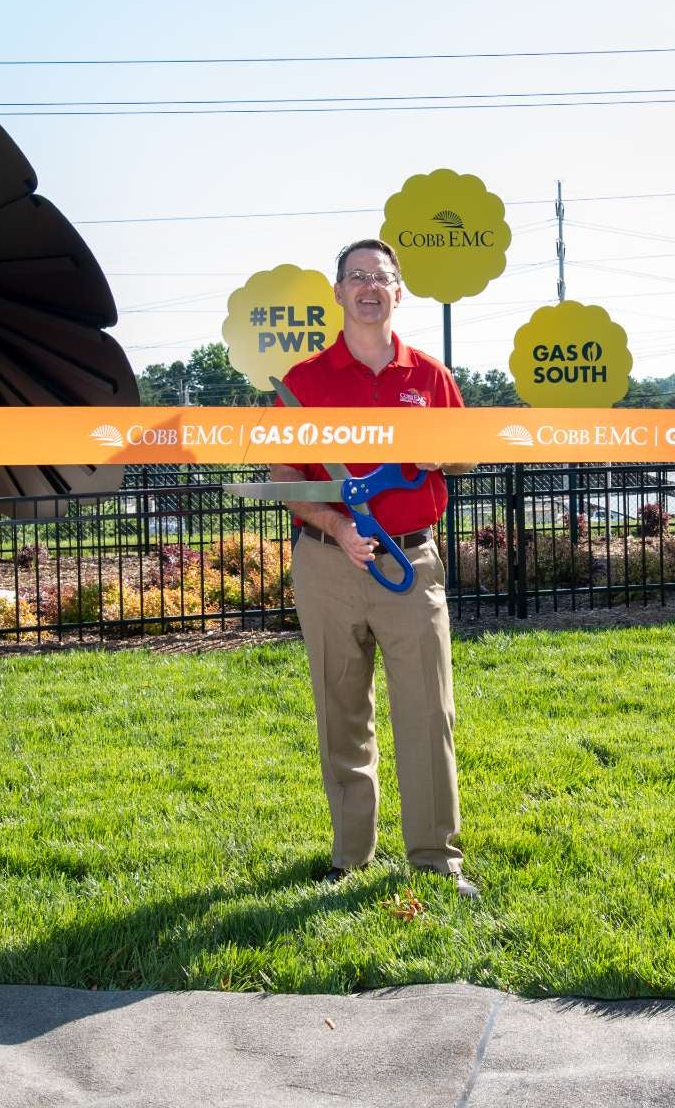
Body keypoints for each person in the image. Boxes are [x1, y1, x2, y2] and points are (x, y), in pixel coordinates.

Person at [271, 239, 479, 900]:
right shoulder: (303, 383)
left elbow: (467, 458)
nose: (369, 287)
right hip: (328, 565)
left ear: (398, 292)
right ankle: (350, 856)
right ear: (338, 293)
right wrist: (336, 525)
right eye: (356, 277)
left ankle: (435, 859)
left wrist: (442, 454)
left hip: (412, 563)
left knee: (427, 712)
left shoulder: (430, 377)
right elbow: (283, 480)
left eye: (381, 278)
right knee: (341, 710)